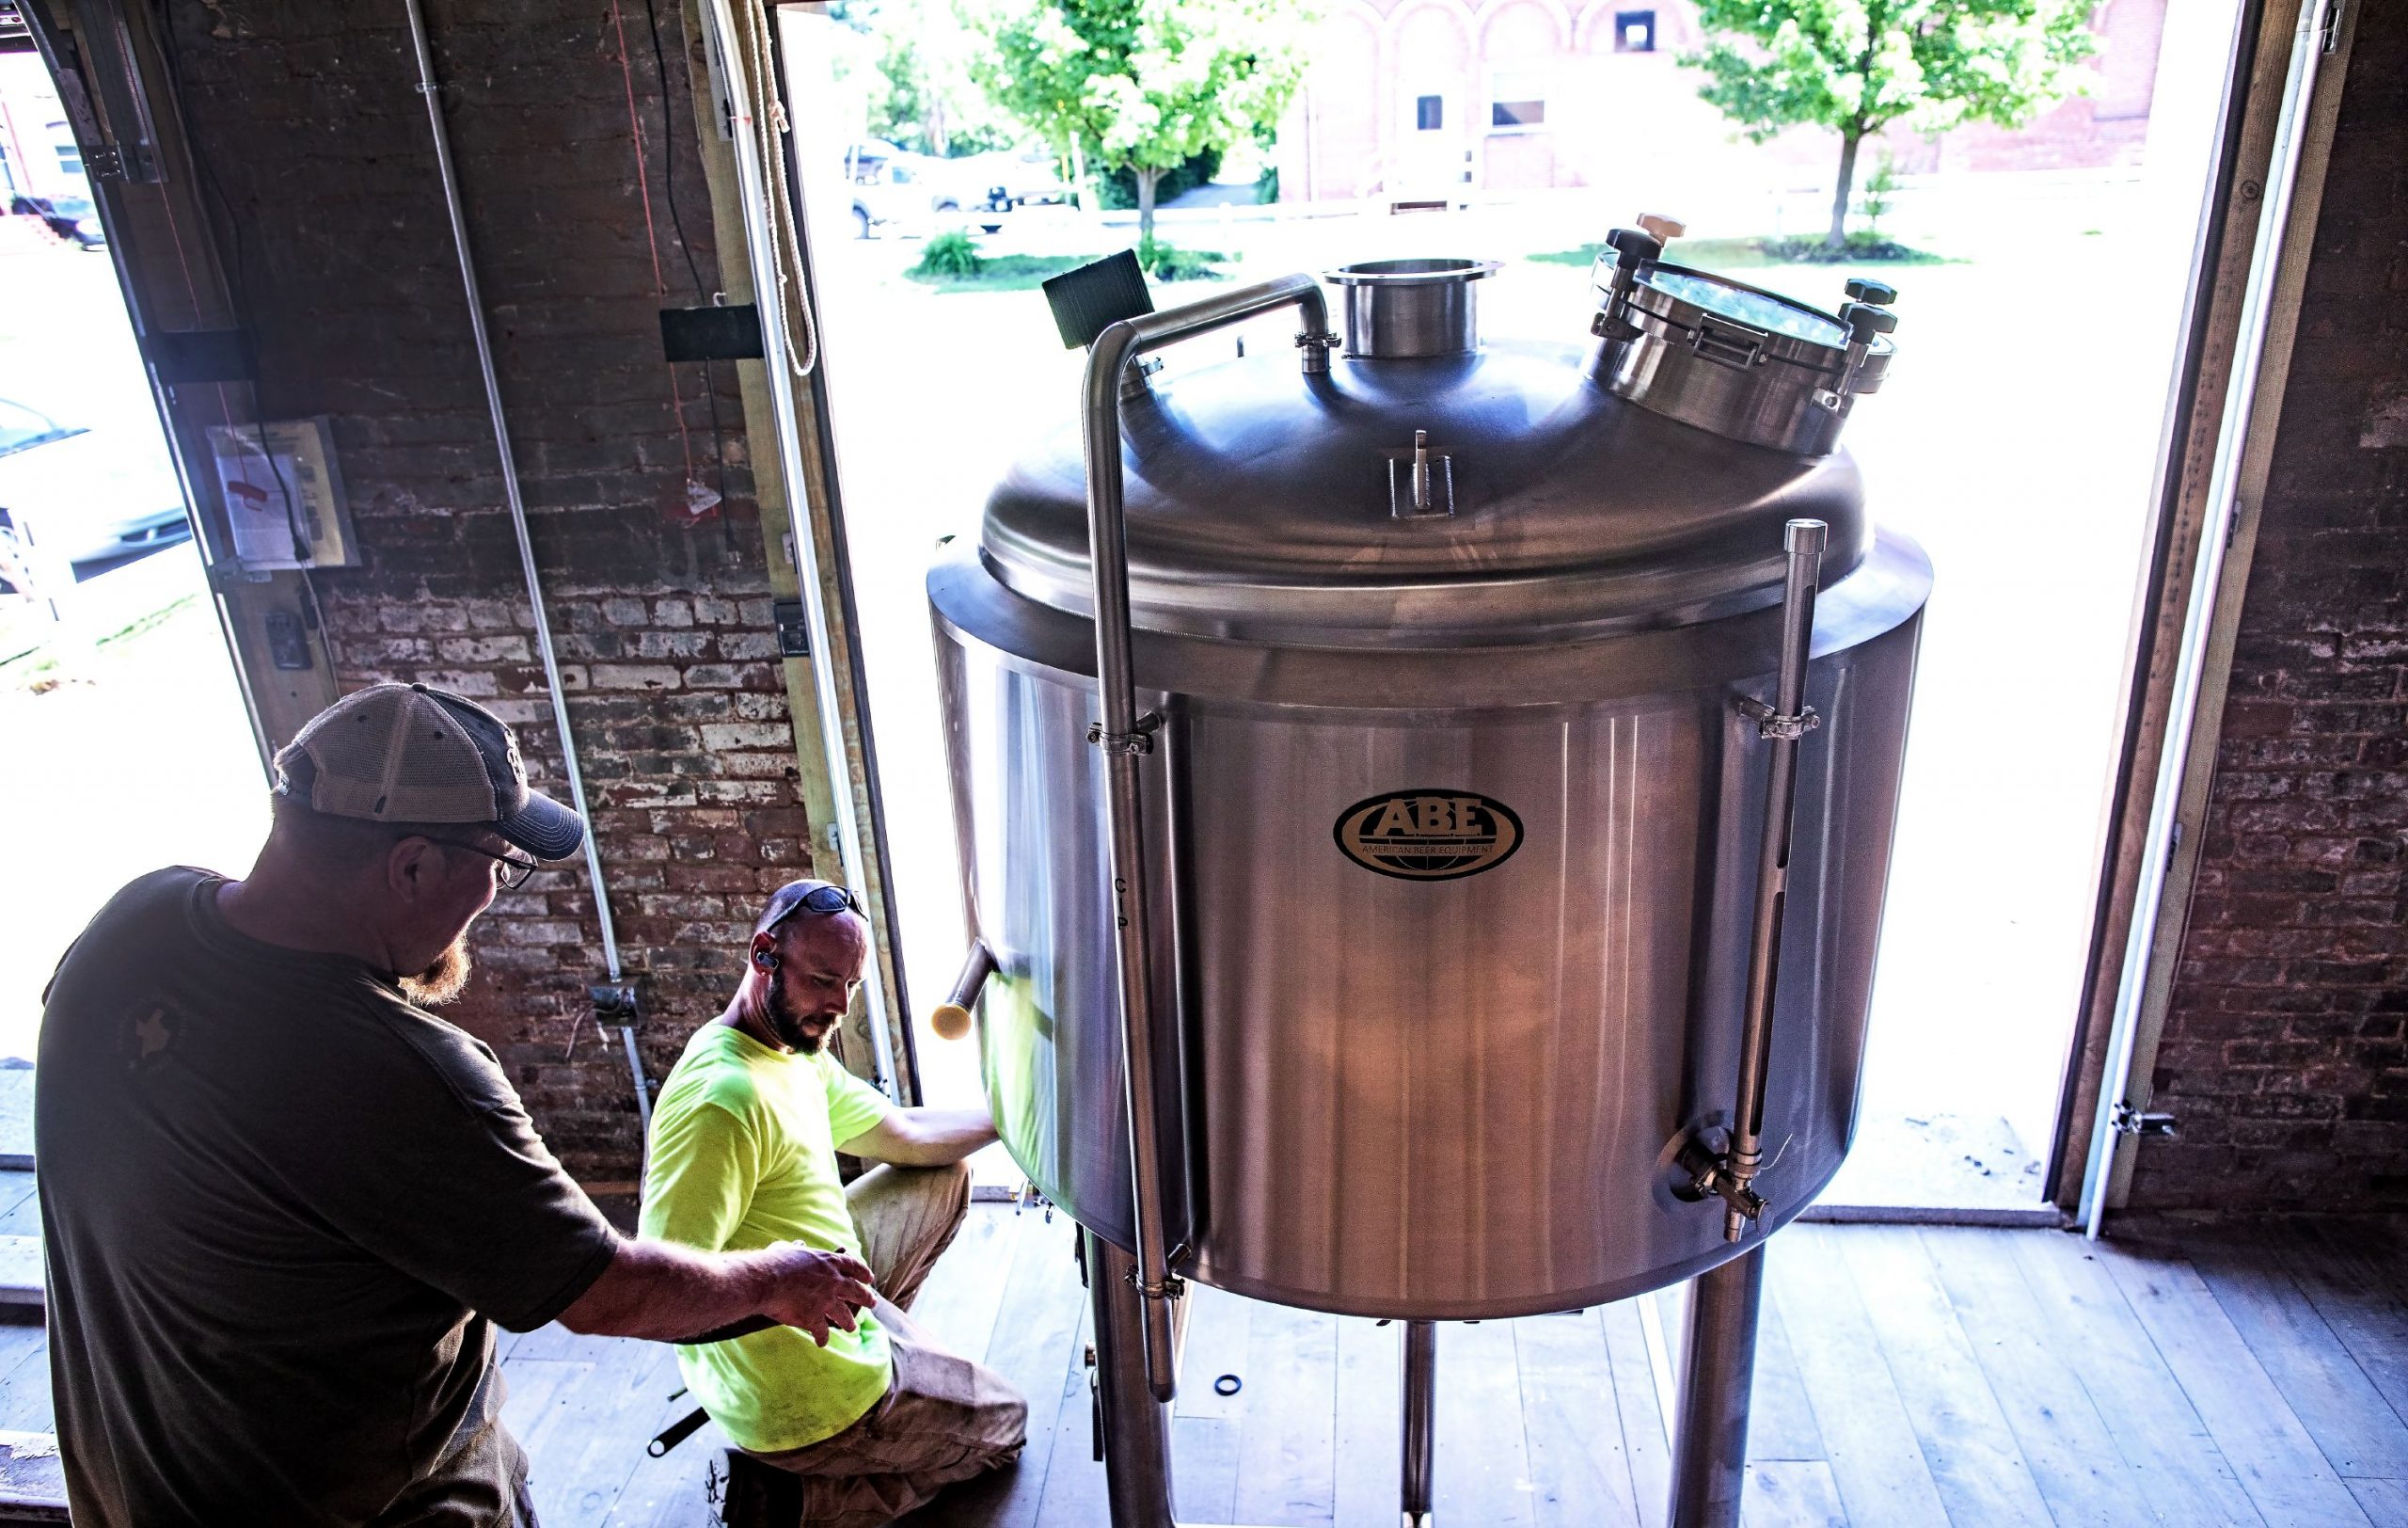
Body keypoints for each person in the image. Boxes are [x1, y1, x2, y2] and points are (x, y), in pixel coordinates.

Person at [37, 683, 882, 1528]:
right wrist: (777, 1278)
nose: (488, 900)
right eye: (498, 867)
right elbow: (608, 1295)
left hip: (132, 1490)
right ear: (411, 865)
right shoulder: (404, 1076)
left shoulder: (134, 920)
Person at [641, 879, 1025, 1527]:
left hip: (816, 1284)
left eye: (850, 985)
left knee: (941, 1175)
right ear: (765, 955)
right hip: (792, 1393)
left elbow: (906, 1136)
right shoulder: (723, 1102)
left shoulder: (790, 1049)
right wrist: (774, 1291)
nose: (839, 1006)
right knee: (1006, 1424)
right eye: (823, 980)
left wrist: (1021, 1117)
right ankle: (806, 1498)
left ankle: (889, 1369)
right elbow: (658, 1295)